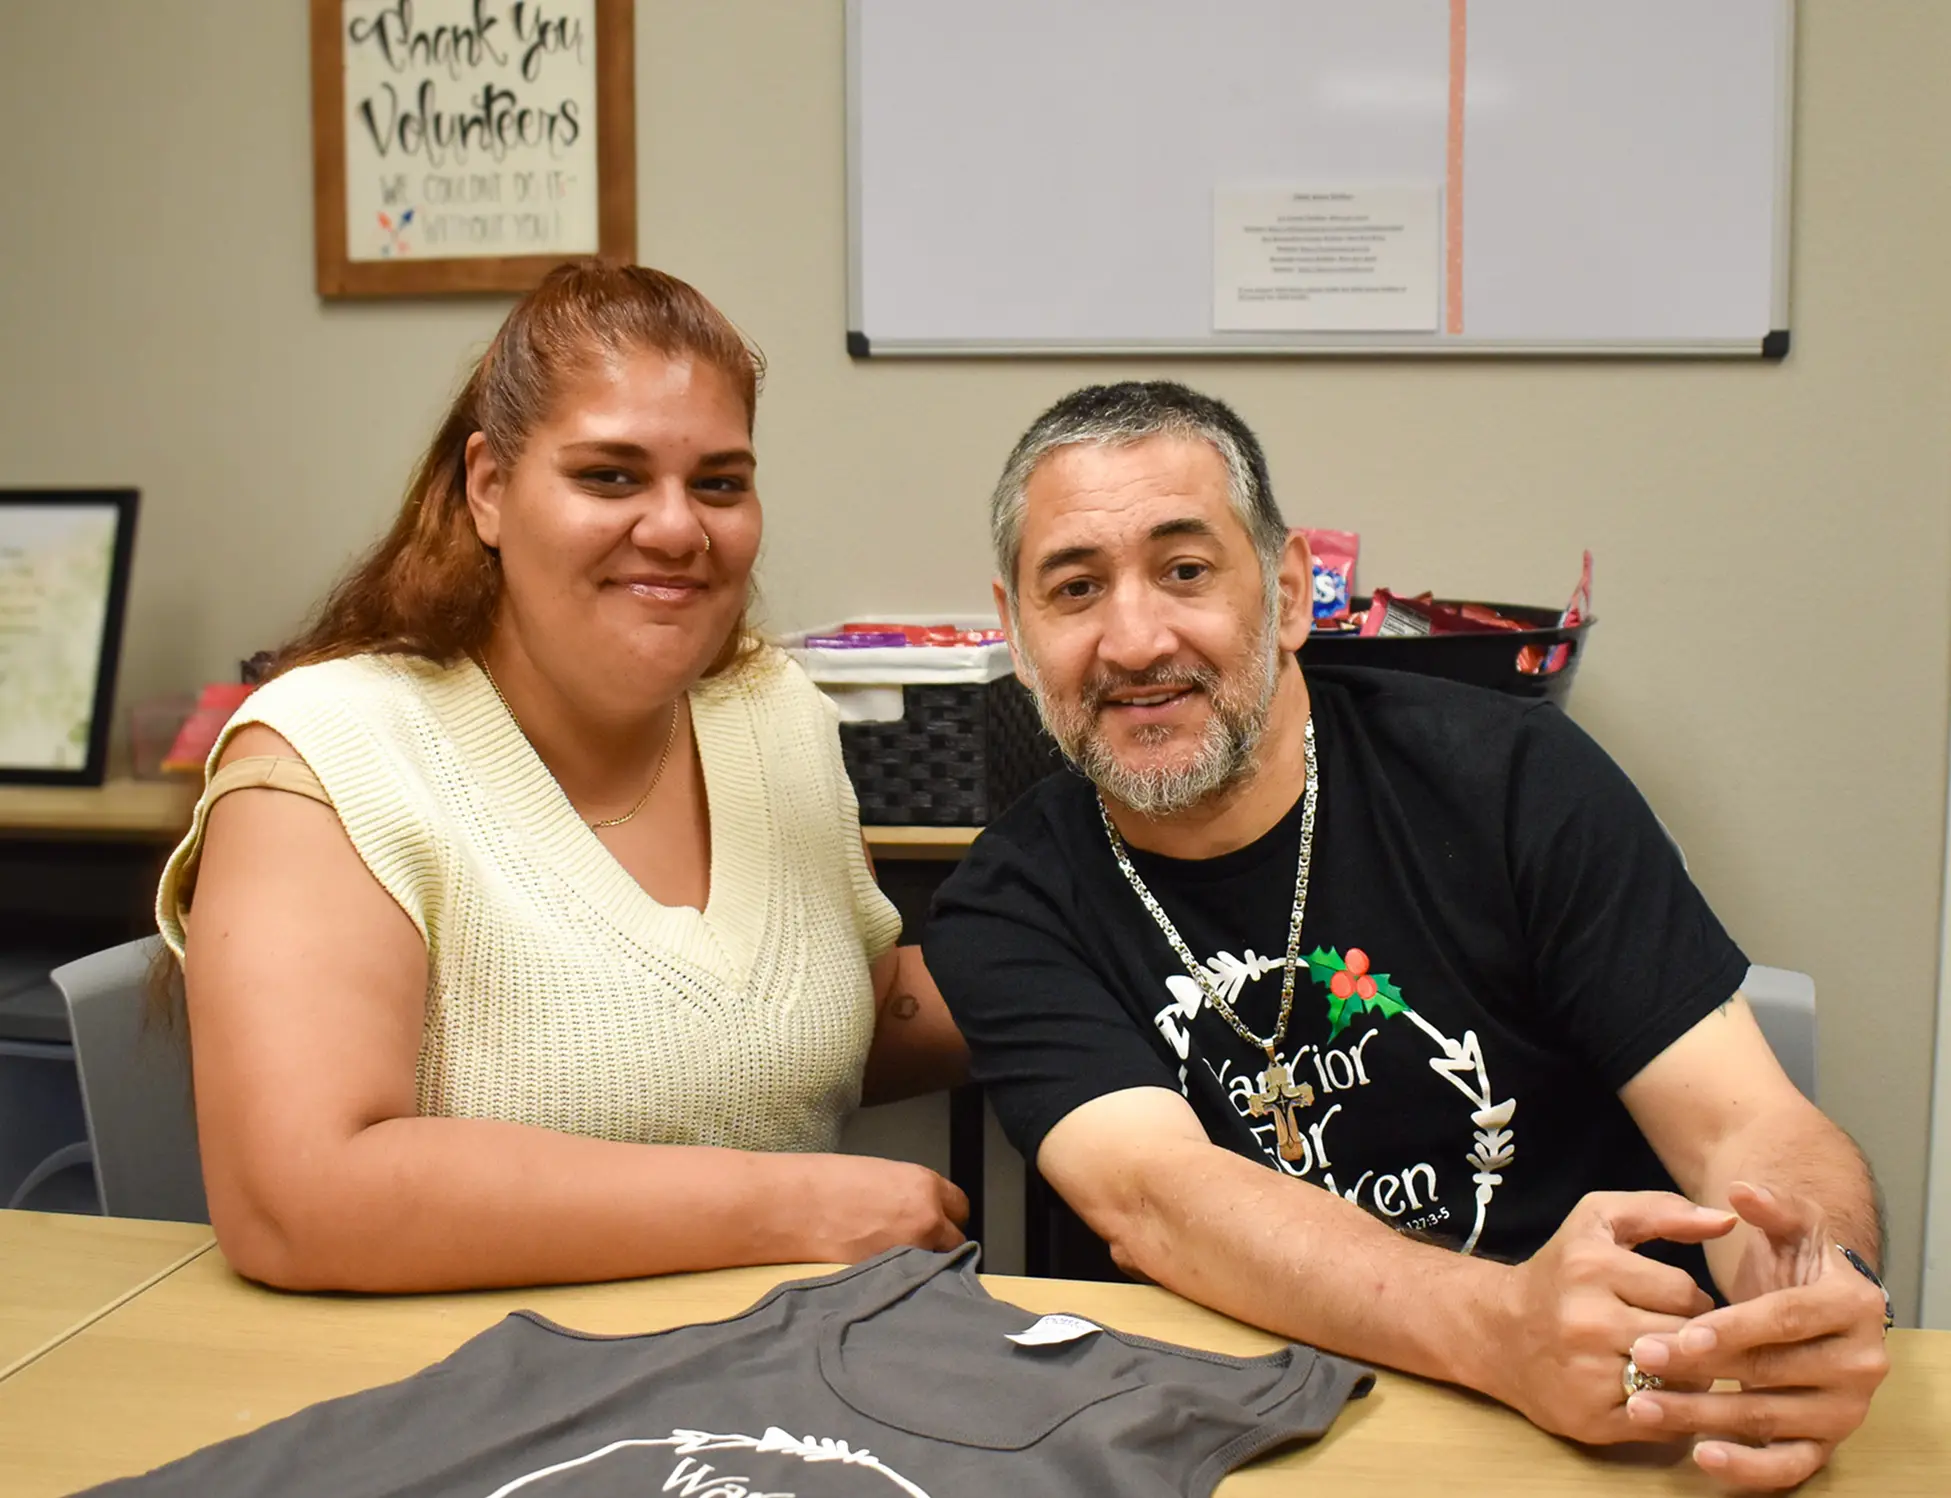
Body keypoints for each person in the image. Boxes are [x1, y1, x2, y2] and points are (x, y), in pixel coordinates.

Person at [923, 381, 1890, 1492]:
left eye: (1185, 571)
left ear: (1285, 593)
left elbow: (1744, 1124)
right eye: (1075, 588)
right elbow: (1158, 1203)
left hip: (1604, 1423)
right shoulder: (1008, 901)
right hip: (1243, 1440)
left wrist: (1809, 1281)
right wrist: (1499, 1325)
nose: (1134, 639)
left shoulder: (1512, 783)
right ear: (1017, 629)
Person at [156, 260, 969, 1293]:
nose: (677, 528)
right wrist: (797, 1204)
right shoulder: (326, 750)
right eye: (610, 477)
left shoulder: (776, 716)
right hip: (457, 1396)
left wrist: (1138, 968)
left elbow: (844, 1012)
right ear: (490, 488)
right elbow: (300, 1198)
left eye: (718, 482)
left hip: (773, 1388)